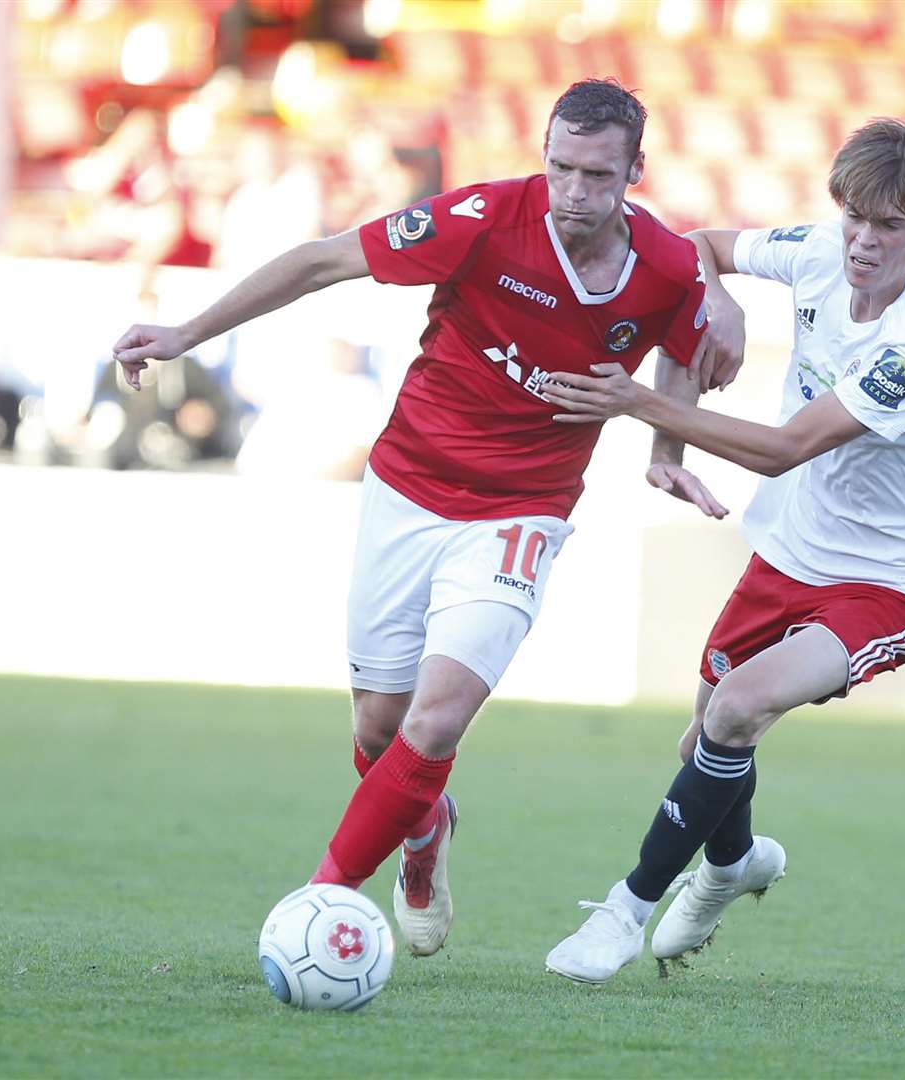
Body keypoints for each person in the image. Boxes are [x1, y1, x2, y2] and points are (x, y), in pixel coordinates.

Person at [110, 79, 721, 958]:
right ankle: (424, 834)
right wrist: (186, 333)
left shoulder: (661, 264)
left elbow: (684, 343)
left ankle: (317, 904)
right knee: (376, 726)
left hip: (521, 511)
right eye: (560, 168)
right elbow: (322, 260)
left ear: (634, 171)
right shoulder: (481, 218)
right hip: (408, 487)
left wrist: (667, 453)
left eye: (596, 175)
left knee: (434, 722)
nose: (575, 193)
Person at [541, 118, 905, 983]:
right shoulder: (817, 249)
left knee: (733, 712)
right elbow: (690, 244)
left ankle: (624, 913)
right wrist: (720, 296)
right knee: (704, 736)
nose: (863, 240)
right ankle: (731, 867)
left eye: (890, 226)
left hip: (881, 584)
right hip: (785, 553)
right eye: (855, 215)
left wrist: (639, 404)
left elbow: (781, 450)